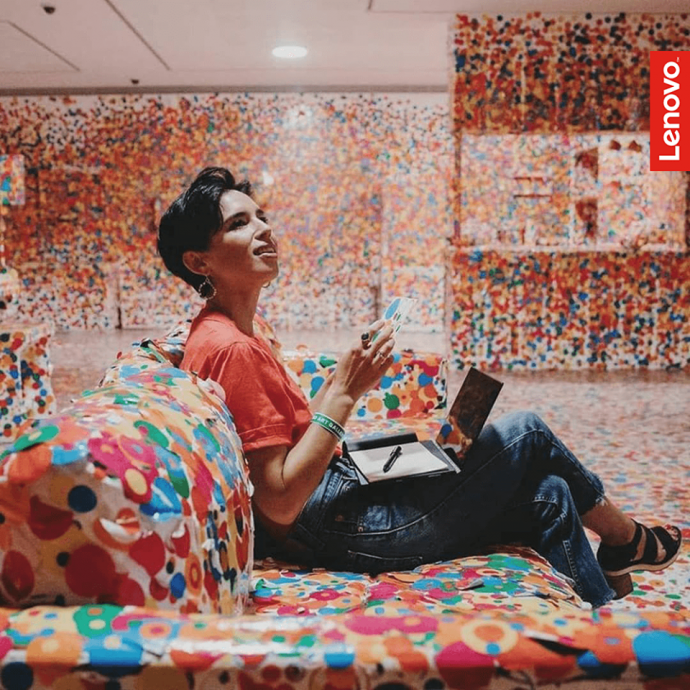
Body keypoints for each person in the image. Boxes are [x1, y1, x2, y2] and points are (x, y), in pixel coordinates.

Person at [157, 166, 682, 608]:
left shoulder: (229, 331)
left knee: (550, 493)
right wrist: (346, 393)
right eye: (239, 224)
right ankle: (626, 538)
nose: (264, 230)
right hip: (337, 524)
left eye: (262, 217)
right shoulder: (232, 347)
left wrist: (344, 377)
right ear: (199, 262)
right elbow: (279, 503)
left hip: (337, 495)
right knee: (526, 432)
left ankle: (608, 620)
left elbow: (288, 437)